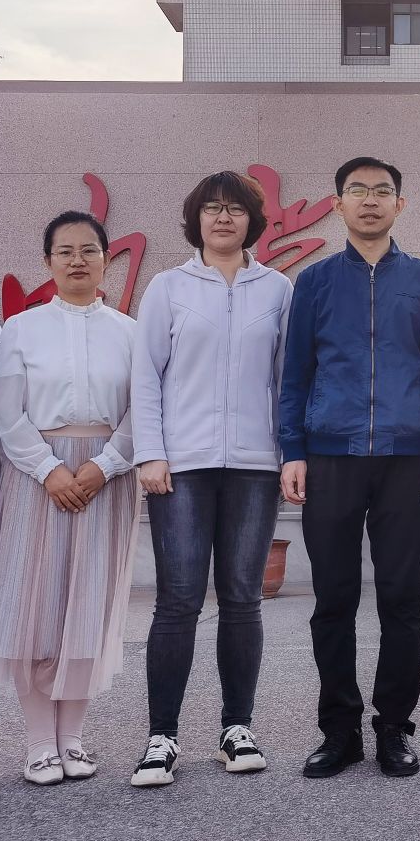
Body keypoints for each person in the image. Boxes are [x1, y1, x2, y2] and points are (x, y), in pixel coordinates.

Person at [279, 156, 420, 778]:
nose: (370, 200)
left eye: (382, 191)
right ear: (338, 203)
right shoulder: (315, 282)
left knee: (402, 599)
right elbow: (295, 374)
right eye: (357, 190)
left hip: (405, 459)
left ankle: (394, 727)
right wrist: (293, 450)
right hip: (332, 456)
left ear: (400, 204)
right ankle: (339, 729)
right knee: (334, 598)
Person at [129, 171, 292, 788]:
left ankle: (236, 728)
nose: (223, 218)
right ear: (195, 219)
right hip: (182, 463)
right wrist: (151, 452)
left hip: (255, 464)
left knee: (243, 596)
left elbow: (286, 379)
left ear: (253, 220)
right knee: (178, 598)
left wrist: (288, 454)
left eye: (235, 209)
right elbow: (146, 375)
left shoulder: (277, 289)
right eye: (212, 208)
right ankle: (161, 737)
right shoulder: (169, 287)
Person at [0, 211, 142, 785]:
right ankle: (38, 744)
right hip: (35, 477)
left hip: (107, 477)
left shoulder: (130, 331)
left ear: (105, 259)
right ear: (48, 261)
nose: (78, 260)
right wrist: (49, 470)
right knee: (35, 607)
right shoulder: (21, 329)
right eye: (65, 251)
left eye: (89, 250)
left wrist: (104, 466)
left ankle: (72, 738)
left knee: (88, 607)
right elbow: (8, 413)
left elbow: (143, 410)